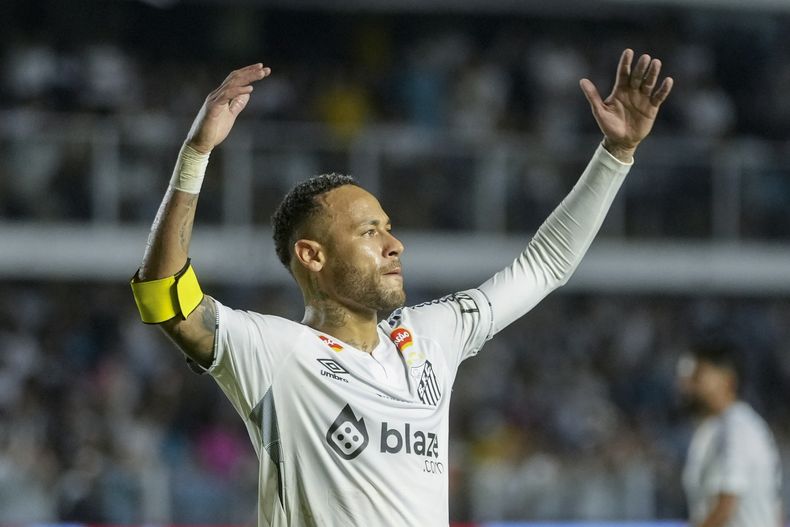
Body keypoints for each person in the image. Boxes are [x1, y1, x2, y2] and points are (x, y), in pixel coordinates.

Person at [131, 49, 672, 526]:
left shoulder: (430, 336)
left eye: (389, 227)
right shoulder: (275, 354)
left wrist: (614, 155)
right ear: (312, 255)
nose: (396, 245)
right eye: (370, 232)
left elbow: (545, 265)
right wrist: (195, 155)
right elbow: (164, 293)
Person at [678, 341, 783, 527]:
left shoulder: (737, 428)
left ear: (727, 379)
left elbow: (726, 504)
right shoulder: (712, 429)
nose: (688, 386)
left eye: (698, 376)